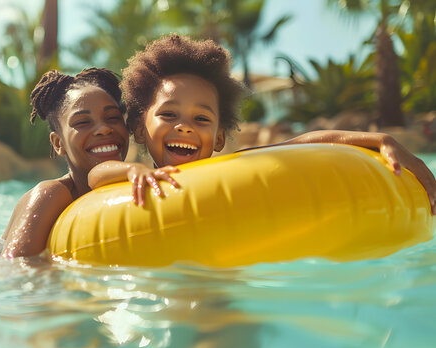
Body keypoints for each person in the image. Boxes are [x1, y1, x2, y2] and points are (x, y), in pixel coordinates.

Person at [88, 34, 436, 214]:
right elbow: (97, 175)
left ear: (220, 137)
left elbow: (304, 143)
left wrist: (379, 139)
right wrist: (134, 172)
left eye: (202, 118)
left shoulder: (233, 167)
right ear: (138, 128)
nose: (184, 127)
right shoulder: (135, 177)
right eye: (168, 114)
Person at [0, 68, 130, 258]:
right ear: (58, 143)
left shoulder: (130, 181)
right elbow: (13, 269)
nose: (103, 129)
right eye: (82, 122)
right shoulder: (51, 194)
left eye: (112, 118)